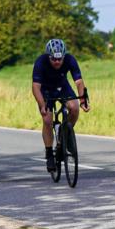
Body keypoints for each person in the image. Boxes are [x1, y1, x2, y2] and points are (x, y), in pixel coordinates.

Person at [32, 39, 89, 172]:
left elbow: (79, 82)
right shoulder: (41, 62)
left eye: (60, 59)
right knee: (47, 120)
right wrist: (42, 105)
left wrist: (82, 101)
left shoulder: (70, 60)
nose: (57, 62)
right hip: (45, 90)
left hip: (62, 86)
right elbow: (35, 87)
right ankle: (49, 153)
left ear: (64, 56)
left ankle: (65, 134)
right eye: (54, 59)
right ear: (48, 56)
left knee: (74, 108)